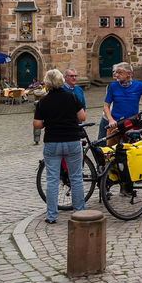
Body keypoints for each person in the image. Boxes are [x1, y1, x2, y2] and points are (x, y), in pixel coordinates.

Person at [32, 69, 88, 224]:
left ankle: (51, 215)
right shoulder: (72, 97)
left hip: (52, 142)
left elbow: (37, 124)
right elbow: (82, 117)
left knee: (52, 180)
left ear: (47, 84)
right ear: (62, 81)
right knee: (76, 178)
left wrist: (47, 121)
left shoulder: (43, 101)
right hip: (71, 140)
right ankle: (80, 212)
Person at [103, 62, 142, 145]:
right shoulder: (113, 86)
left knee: (133, 151)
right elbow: (106, 106)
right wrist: (110, 120)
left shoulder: (138, 85)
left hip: (131, 124)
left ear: (128, 74)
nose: (116, 75)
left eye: (120, 72)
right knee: (111, 151)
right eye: (116, 72)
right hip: (115, 125)